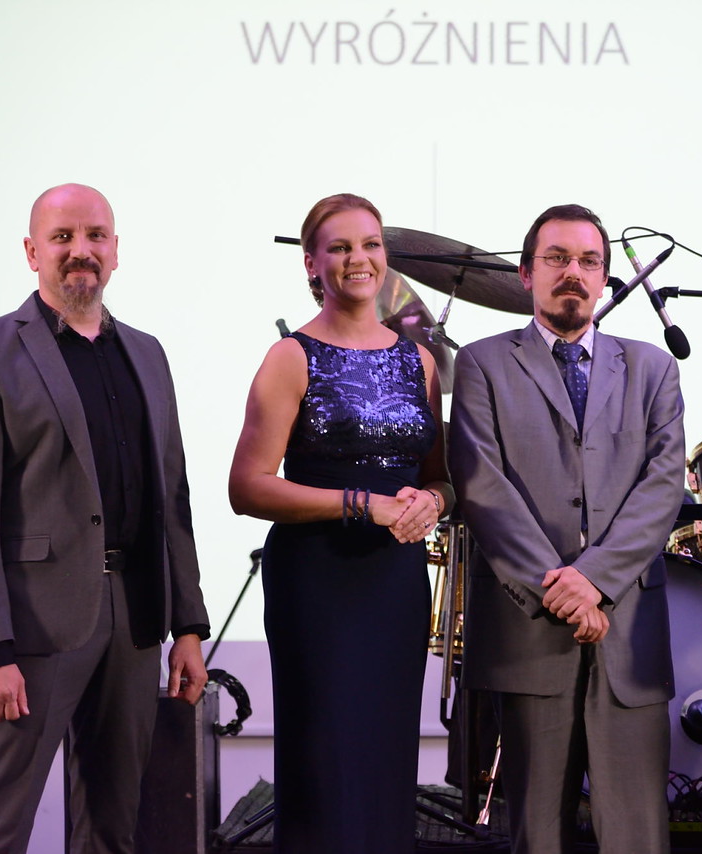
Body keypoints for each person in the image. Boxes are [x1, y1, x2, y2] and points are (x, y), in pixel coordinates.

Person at [0, 183, 211, 854]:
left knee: (112, 830)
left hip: (136, 621)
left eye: (94, 236)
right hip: (34, 630)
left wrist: (188, 625)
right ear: (32, 252)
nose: (80, 250)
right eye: (61, 237)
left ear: (115, 250)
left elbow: (172, 498)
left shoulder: (147, 352)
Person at [448, 204, 685, 854]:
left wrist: (595, 582)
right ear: (526, 273)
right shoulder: (481, 363)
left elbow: (663, 485)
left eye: (588, 261)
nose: (572, 272)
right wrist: (561, 590)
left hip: (627, 633)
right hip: (528, 631)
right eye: (556, 258)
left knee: (636, 836)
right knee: (537, 835)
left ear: (605, 278)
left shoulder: (653, 368)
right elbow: (481, 486)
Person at [228, 193, 452, 852]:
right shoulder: (290, 356)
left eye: (371, 245)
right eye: (341, 247)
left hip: (395, 583)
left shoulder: (420, 360)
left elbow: (440, 477)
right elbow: (246, 486)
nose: (359, 258)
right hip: (316, 583)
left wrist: (433, 503)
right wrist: (361, 504)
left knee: (385, 763)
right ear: (312, 264)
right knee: (324, 764)